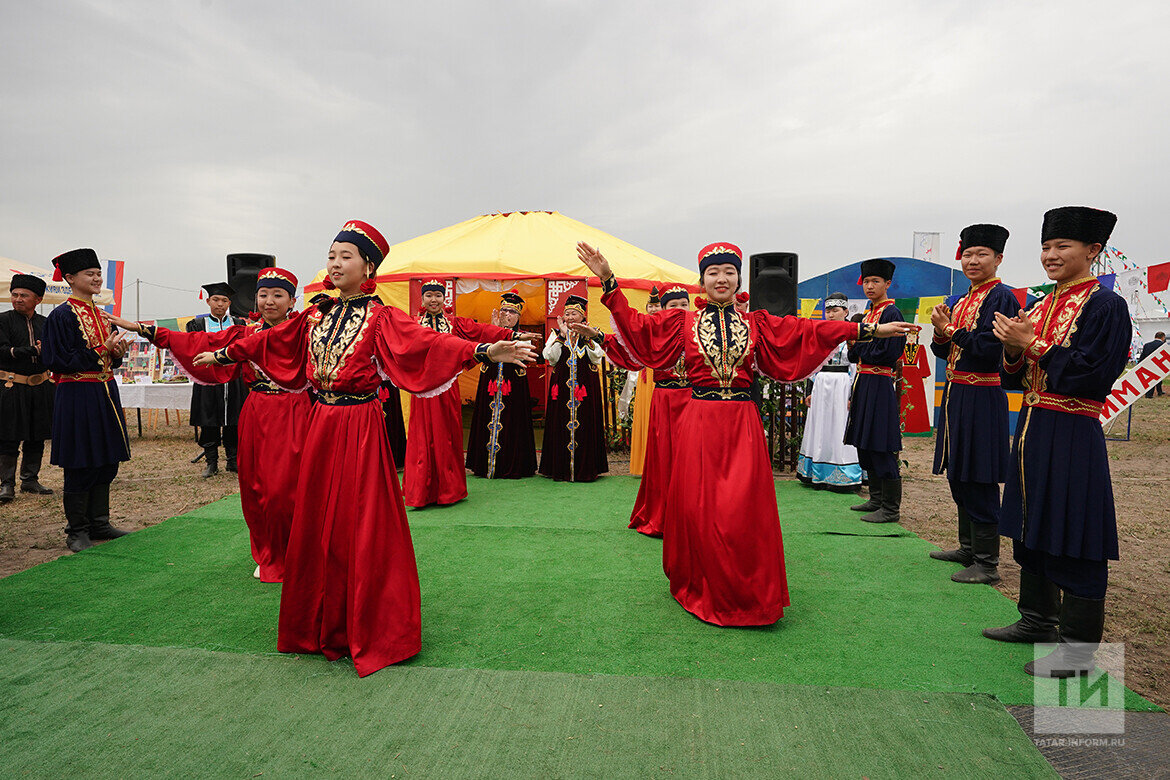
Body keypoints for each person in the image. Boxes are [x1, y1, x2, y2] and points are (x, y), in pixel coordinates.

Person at [189, 220, 535, 677]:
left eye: (345, 256)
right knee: (317, 517)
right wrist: (224, 355)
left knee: (360, 517)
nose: (334, 263)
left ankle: (369, 623)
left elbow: (427, 343)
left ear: (368, 265)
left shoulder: (382, 316)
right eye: (331, 255)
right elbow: (271, 341)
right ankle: (317, 622)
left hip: (360, 425)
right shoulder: (315, 313)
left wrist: (484, 352)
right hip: (321, 422)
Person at [577, 241, 914, 626]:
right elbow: (637, 328)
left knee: (743, 509)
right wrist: (607, 280)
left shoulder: (758, 323)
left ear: (739, 278)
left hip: (742, 424)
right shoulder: (680, 322)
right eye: (713, 273)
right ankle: (702, 582)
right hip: (700, 421)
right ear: (702, 280)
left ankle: (749, 593)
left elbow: (808, 331)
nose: (721, 279)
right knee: (699, 507)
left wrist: (867, 329)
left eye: (729, 273)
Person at [984, 206, 1130, 679]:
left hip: (1072, 432)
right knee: (1033, 522)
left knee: (1075, 531)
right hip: (1032, 427)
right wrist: (1012, 349)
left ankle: (1079, 650)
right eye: (1046, 246)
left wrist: (1035, 346)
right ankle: (1036, 620)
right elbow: (1017, 375)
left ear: (1093, 250)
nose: (1050, 255)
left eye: (1062, 246)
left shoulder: (1105, 306)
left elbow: (1093, 375)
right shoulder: (1042, 304)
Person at [108, 267, 311, 583]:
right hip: (257, 413)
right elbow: (195, 340)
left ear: (292, 300)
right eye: (263, 294)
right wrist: (140, 328)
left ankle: (300, 554)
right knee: (257, 488)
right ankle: (269, 553)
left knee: (288, 490)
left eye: (277, 295)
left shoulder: (306, 329)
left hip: (296, 414)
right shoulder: (245, 333)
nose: (269, 301)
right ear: (255, 298)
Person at [929, 224, 1021, 585]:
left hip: (982, 394)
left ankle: (988, 561)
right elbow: (943, 351)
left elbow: (988, 350)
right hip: (956, 395)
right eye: (968, 254)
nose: (973, 260)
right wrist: (940, 332)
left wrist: (950, 330)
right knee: (959, 472)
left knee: (979, 474)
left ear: (998, 258)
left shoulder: (1002, 298)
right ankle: (968, 548)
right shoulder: (960, 300)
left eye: (982, 254)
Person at [403, 280, 528, 506]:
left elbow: (481, 330)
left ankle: (448, 491)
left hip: (448, 387)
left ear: (444, 299)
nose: (433, 300)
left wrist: (511, 335)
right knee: (422, 437)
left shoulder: (454, 323)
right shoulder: (413, 324)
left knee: (447, 435)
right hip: (421, 390)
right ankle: (420, 491)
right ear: (422, 299)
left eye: (438, 296)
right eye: (429, 295)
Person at [40, 249, 132, 552]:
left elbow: (111, 356)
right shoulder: (61, 316)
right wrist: (99, 350)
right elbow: (55, 359)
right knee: (81, 460)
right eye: (89, 274)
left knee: (107, 459)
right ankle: (76, 529)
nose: (96, 278)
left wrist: (116, 354)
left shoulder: (104, 314)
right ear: (70, 279)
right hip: (76, 393)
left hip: (105, 391)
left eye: (97, 273)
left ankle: (99, 522)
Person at [607, 284, 691, 537]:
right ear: (662, 310)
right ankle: (663, 516)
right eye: (672, 306)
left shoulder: (700, 330)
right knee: (665, 458)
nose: (679, 311)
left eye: (683, 305)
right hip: (665, 400)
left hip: (695, 400)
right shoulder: (653, 334)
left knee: (692, 458)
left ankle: (692, 517)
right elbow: (631, 353)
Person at [845, 258, 908, 523]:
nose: (870, 286)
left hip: (880, 384)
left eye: (876, 282)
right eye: (867, 282)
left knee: (881, 442)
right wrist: (860, 347)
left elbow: (887, 353)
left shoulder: (891, 314)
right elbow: (852, 355)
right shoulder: (867, 315)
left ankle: (891, 509)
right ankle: (876, 499)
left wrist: (860, 346)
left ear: (888, 284)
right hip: (863, 383)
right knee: (866, 442)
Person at [466, 291, 538, 479]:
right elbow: (479, 352)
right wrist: (494, 330)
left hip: (513, 382)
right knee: (485, 416)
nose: (507, 315)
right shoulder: (488, 331)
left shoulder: (524, 336)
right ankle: (483, 464)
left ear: (518, 316)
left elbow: (522, 353)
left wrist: (502, 335)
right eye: (504, 310)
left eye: (512, 312)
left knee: (514, 419)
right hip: (490, 380)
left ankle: (513, 464)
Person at [539, 294, 608, 483]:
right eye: (567, 314)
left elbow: (596, 357)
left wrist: (587, 337)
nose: (569, 317)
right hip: (561, 387)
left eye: (573, 314)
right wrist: (561, 336)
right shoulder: (556, 334)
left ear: (582, 317)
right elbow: (550, 357)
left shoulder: (591, 332)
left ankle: (585, 468)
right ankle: (559, 468)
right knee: (559, 421)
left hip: (584, 387)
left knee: (586, 422)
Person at [796, 293, 862, 490]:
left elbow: (856, 366)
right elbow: (812, 362)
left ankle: (844, 474)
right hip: (821, 383)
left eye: (835, 311)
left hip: (842, 384)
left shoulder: (853, 334)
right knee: (820, 425)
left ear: (846, 311)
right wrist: (809, 390)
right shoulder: (819, 333)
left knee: (840, 426)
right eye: (828, 311)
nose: (831, 315)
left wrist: (853, 393)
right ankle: (817, 472)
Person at [0, 273, 55, 502]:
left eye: (24, 295)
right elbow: (2, 350)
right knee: (8, 435)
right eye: (14, 294)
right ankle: (6, 484)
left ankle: (30, 480)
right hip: (12, 385)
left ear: (38, 299)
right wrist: (30, 350)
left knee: (37, 433)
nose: (18, 299)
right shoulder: (2, 320)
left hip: (41, 385)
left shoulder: (46, 323)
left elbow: (54, 353)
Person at [188, 282, 247, 477]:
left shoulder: (239, 324)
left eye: (224, 300)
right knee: (209, 419)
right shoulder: (196, 325)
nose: (219, 304)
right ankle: (211, 462)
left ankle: (232, 460)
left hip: (233, 379)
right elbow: (192, 350)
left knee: (234, 419)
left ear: (229, 302)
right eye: (215, 300)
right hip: (208, 378)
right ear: (207, 301)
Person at [625, 286, 662, 476]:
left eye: (657, 305)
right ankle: (643, 464)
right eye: (651, 305)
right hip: (646, 374)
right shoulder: (642, 324)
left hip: (662, 372)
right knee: (645, 413)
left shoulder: (667, 325)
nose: (654, 309)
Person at [1140, 331, 1166, 397]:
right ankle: (1157, 392)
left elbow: (1143, 355)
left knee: (1150, 379)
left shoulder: (1147, 345)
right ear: (1162, 337)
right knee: (1159, 378)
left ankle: (1150, 393)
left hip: (1148, 364)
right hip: (1159, 364)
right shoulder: (1163, 345)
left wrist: (1140, 363)